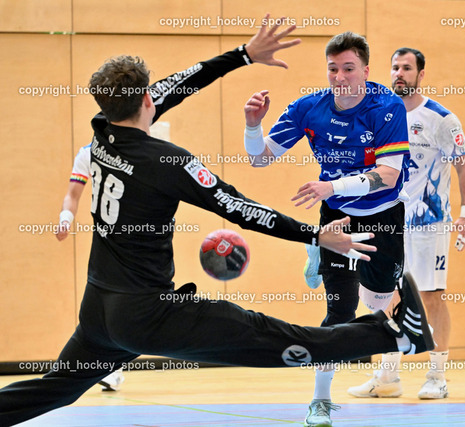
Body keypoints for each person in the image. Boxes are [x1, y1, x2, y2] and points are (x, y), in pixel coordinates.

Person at [0, 20, 434, 427]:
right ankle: (395, 336)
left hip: (99, 308)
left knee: (55, 388)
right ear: (147, 100)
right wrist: (314, 234)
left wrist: (244, 54)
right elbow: (240, 208)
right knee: (268, 337)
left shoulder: (101, 130)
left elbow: (179, 85)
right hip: (148, 315)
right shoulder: (167, 162)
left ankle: (389, 334)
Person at [243, 32, 434, 427]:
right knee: (339, 311)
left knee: (378, 302)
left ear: (366, 70)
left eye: (349, 68)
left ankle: (347, 273)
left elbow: (387, 175)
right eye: (333, 69)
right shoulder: (308, 108)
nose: (340, 77)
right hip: (337, 218)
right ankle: (320, 400)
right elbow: (260, 159)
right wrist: (252, 126)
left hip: (382, 215)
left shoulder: (386, 107)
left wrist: (333, 186)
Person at [347, 47, 465, 400]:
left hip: (428, 224)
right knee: (384, 296)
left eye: (407, 68)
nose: (399, 73)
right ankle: (388, 376)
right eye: (395, 67)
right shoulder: (378, 115)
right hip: (386, 221)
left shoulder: (440, 119)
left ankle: (437, 375)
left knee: (430, 297)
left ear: (421, 74)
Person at [56, 143, 126, 392]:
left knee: (129, 305)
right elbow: (73, 194)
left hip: (142, 239)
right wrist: (66, 218)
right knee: (101, 307)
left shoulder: (141, 149)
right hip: (107, 241)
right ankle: (109, 368)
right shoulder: (88, 153)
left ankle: (113, 366)